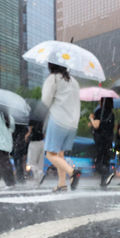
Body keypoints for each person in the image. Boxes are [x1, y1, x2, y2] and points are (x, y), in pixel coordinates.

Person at [42, 62, 81, 192]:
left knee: (50, 154)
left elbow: (45, 101)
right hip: (73, 123)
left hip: (58, 120)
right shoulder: (74, 81)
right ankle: (62, 183)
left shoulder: (53, 78)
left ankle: (72, 172)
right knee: (60, 153)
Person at [89, 97, 116, 188]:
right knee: (106, 161)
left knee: (98, 164)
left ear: (103, 102)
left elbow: (96, 125)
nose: (99, 102)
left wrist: (91, 118)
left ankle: (107, 173)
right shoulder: (111, 114)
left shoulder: (99, 112)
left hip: (100, 140)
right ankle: (103, 182)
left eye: (100, 100)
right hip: (108, 140)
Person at [26, 119, 45, 184]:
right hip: (42, 142)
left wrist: (26, 137)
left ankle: (40, 173)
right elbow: (44, 132)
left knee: (31, 163)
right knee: (40, 163)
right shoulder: (43, 118)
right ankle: (38, 181)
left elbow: (30, 131)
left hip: (34, 143)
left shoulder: (32, 118)